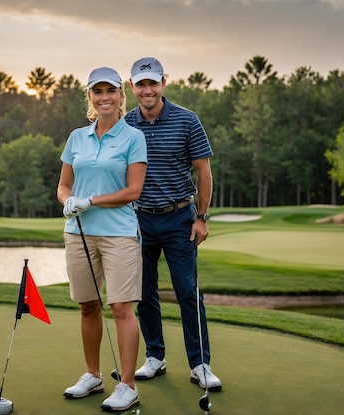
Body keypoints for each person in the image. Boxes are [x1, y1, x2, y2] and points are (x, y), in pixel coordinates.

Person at [123, 57, 222, 391]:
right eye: (141, 84)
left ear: (163, 83)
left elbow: (203, 173)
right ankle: (155, 356)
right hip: (139, 221)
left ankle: (200, 364)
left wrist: (202, 218)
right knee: (145, 292)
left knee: (187, 292)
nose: (147, 90)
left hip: (180, 218)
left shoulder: (187, 120)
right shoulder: (126, 124)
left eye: (153, 83)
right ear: (133, 86)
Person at [57, 66, 147, 412]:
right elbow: (63, 185)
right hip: (78, 232)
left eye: (111, 91)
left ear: (121, 96)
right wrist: (68, 200)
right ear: (90, 97)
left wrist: (90, 200)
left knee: (122, 307)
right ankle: (93, 375)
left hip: (119, 232)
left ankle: (127, 385)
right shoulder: (76, 137)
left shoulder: (132, 137)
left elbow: (133, 190)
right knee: (87, 306)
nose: (105, 97)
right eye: (98, 92)